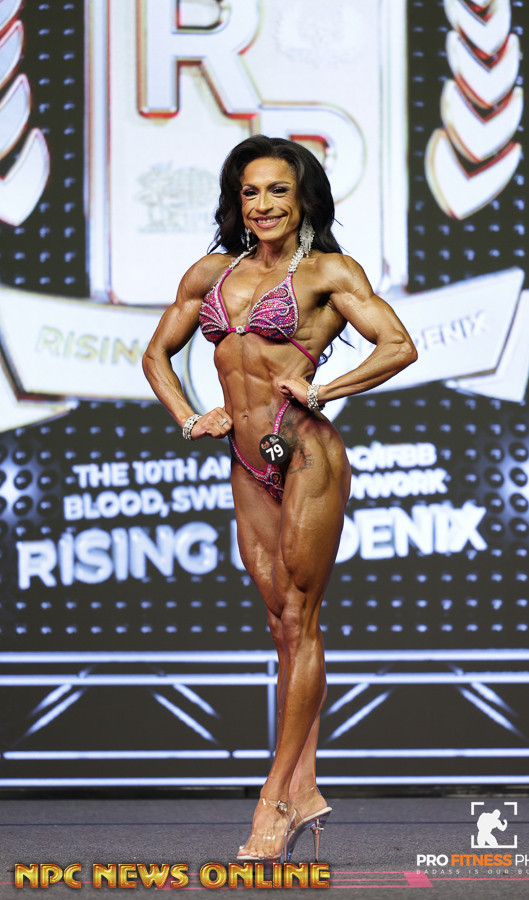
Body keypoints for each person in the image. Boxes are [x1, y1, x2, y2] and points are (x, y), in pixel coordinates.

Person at [142, 135, 417, 862]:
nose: (262, 205)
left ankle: (275, 798)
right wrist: (190, 416)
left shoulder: (328, 272)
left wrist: (325, 389)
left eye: (277, 191)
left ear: (304, 201)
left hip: (306, 455)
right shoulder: (211, 272)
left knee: (301, 614)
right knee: (279, 626)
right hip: (245, 459)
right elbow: (156, 354)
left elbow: (398, 345)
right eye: (250, 192)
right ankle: (307, 787)